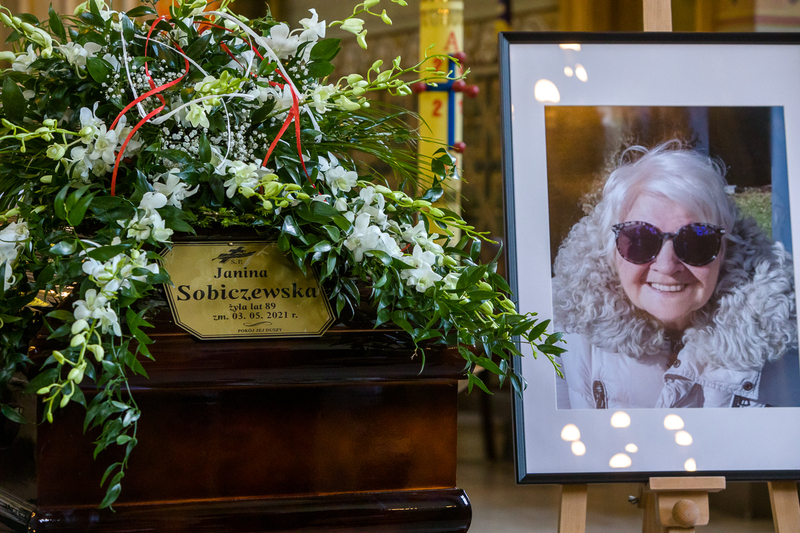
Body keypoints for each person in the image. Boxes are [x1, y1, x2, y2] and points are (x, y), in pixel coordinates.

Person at [552, 141, 797, 409]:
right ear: (611, 251)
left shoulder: (783, 345)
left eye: (697, 240)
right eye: (640, 239)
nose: (667, 265)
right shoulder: (562, 339)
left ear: (726, 250)